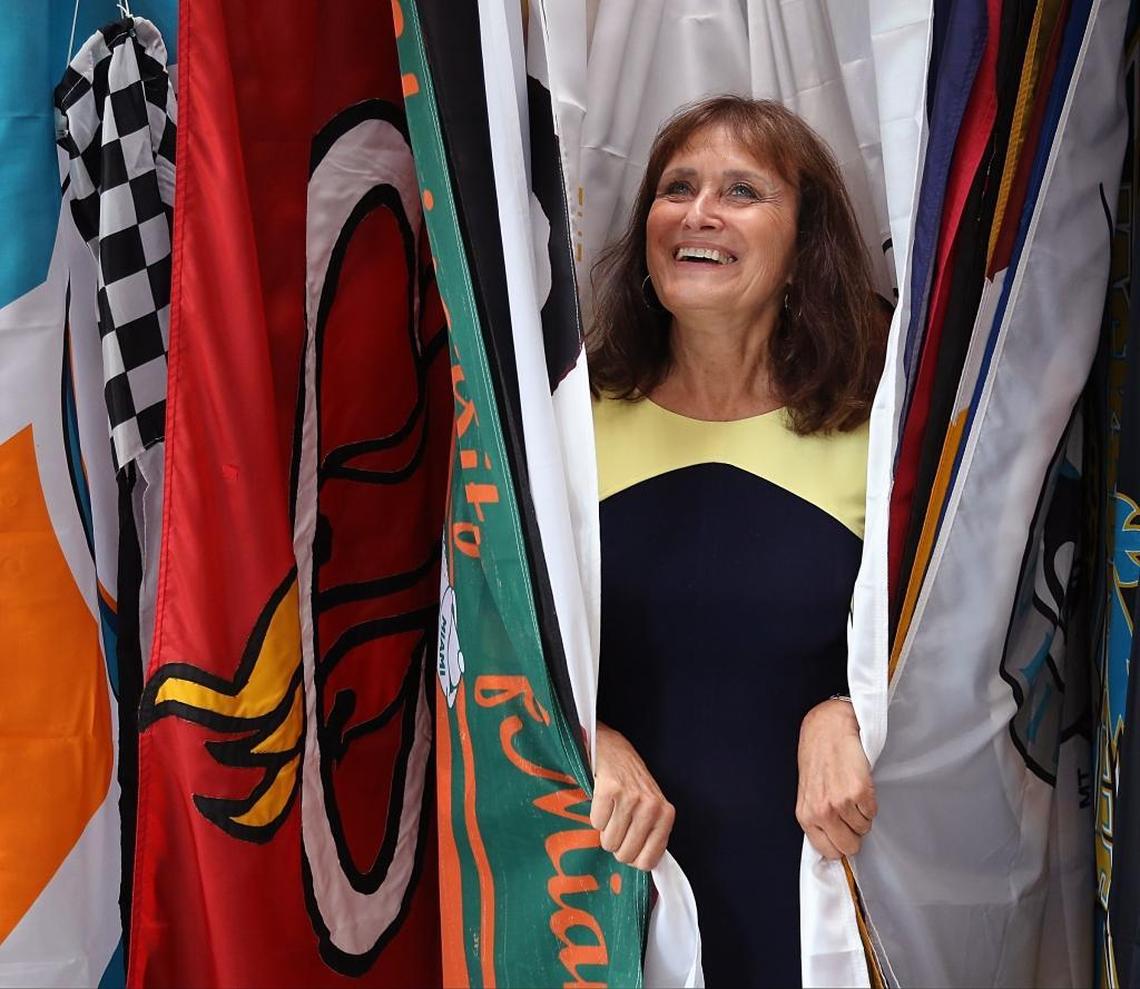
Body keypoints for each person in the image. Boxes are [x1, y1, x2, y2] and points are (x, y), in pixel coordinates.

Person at [587, 95, 887, 985]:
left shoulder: (882, 438)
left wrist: (850, 709)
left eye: (743, 190)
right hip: (610, 895)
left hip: (827, 901)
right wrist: (583, 735)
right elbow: (488, 641)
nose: (699, 212)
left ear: (805, 250)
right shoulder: (565, 431)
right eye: (677, 187)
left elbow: (958, 660)